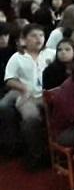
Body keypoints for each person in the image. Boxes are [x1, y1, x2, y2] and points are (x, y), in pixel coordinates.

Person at [0, 24, 54, 166]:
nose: (38, 39)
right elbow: (9, 79)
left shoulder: (51, 54)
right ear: (24, 40)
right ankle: (36, 155)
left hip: (50, 93)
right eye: (34, 36)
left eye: (41, 35)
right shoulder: (17, 57)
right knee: (30, 118)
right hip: (28, 95)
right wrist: (23, 88)